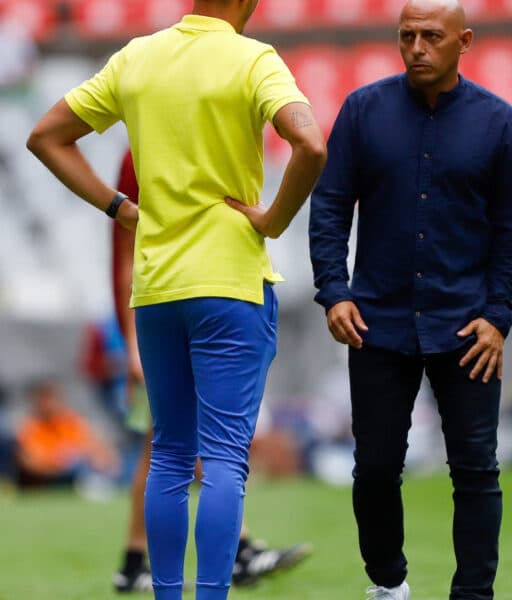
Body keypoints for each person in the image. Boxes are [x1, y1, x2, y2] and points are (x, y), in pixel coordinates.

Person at [26, 0, 327, 597]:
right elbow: (311, 145)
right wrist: (272, 220)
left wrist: (120, 207)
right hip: (230, 285)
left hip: (157, 287)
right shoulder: (253, 59)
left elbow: (46, 136)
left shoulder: (138, 56)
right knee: (222, 462)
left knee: (168, 455)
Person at [309, 1, 512, 598]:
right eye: (406, 36)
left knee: (476, 471)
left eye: (432, 36)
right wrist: (333, 290)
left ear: (466, 41)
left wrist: (497, 315)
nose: (416, 48)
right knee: (375, 469)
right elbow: (329, 205)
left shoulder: (498, 123)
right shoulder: (362, 112)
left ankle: (473, 595)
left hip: (467, 328)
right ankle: (388, 585)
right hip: (375, 322)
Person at [109, 151, 312, 593]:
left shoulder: (169, 138)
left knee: (172, 446)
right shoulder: (145, 151)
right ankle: (207, 557)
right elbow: (126, 250)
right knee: (181, 448)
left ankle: (143, 561)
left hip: (167, 301)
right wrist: (130, 346)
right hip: (178, 301)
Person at [14, 378, 119, 489]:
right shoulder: (29, 427)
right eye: (44, 399)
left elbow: (95, 448)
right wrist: (56, 462)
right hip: (48, 481)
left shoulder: (70, 421)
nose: (49, 404)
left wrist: (96, 458)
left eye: (51, 398)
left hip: (78, 472)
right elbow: (30, 462)